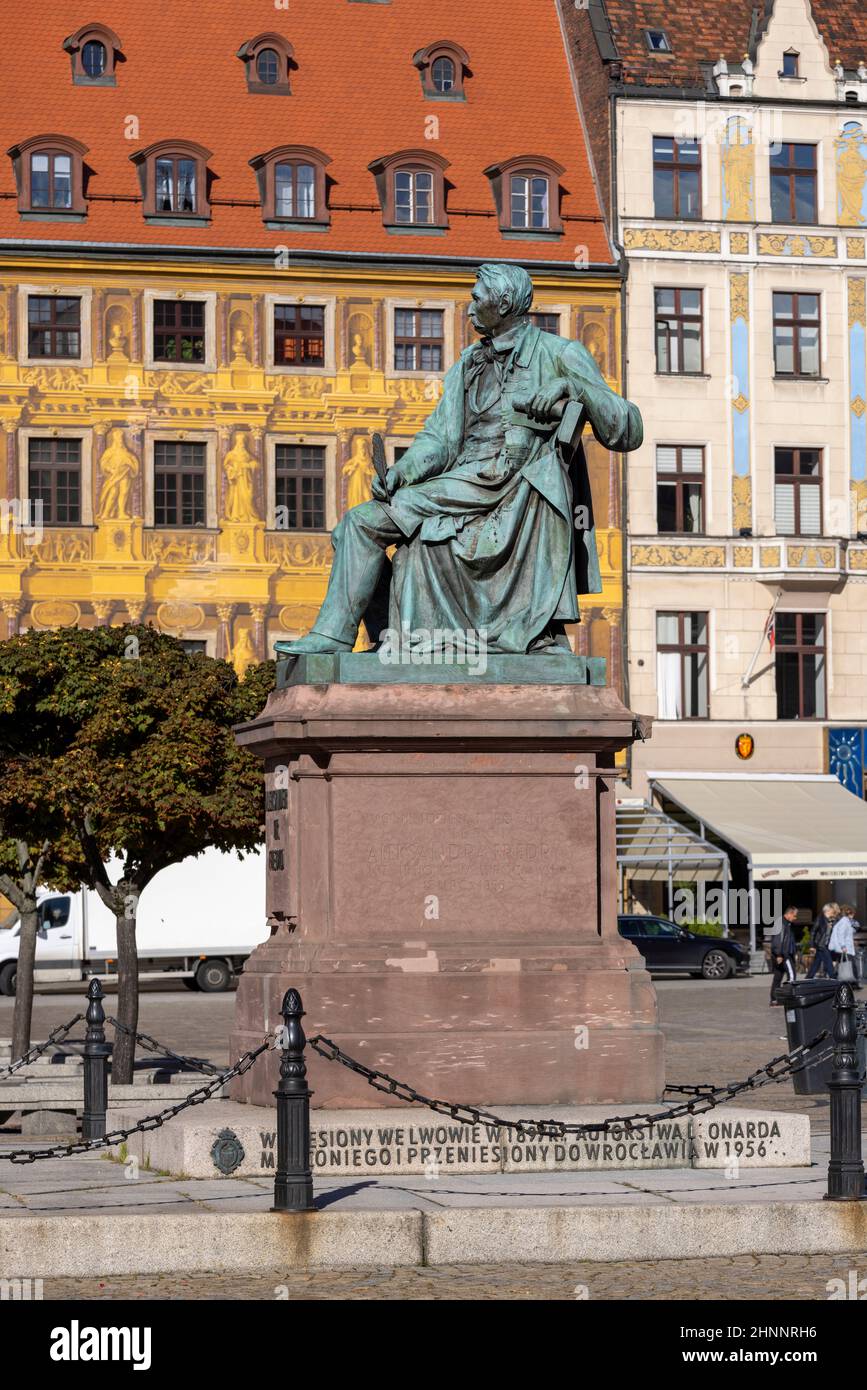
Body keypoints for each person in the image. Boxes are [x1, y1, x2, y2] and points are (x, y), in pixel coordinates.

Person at [282, 261, 642, 657]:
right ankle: (389, 639)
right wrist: (402, 471)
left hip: (512, 487)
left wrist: (573, 386)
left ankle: (337, 638)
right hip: (465, 482)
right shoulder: (469, 364)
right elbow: (440, 438)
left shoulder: (560, 354)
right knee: (351, 527)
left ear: (503, 303)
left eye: (476, 298)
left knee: (361, 523)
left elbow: (626, 429)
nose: (468, 308)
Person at [769, 905, 799, 1006]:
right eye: (794, 916)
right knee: (792, 975)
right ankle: (788, 997)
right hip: (783, 954)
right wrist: (779, 954)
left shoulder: (787, 924)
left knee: (778, 977)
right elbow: (778, 940)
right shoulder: (781, 923)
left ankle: (774, 999)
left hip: (784, 953)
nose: (795, 918)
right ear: (789, 914)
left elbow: (789, 940)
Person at [806, 902, 838, 980]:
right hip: (821, 944)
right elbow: (813, 932)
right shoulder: (820, 919)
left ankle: (808, 978)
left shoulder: (831, 919)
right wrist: (812, 946)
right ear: (827, 910)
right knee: (829, 962)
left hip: (827, 945)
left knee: (816, 963)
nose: (833, 911)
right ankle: (833, 979)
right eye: (831, 910)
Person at [829, 903, 858, 981]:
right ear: (849, 913)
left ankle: (852, 982)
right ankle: (853, 982)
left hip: (845, 948)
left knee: (845, 965)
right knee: (850, 965)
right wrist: (843, 946)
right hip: (846, 948)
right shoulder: (844, 922)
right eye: (853, 914)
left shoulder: (845, 921)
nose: (853, 916)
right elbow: (841, 935)